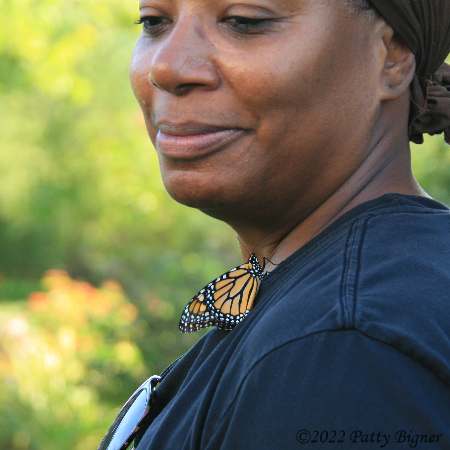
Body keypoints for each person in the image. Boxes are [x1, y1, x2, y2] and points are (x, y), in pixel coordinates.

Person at [99, 0, 450, 449]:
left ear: (393, 56)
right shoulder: (368, 292)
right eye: (154, 22)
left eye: (245, 21)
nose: (166, 68)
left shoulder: (346, 346)